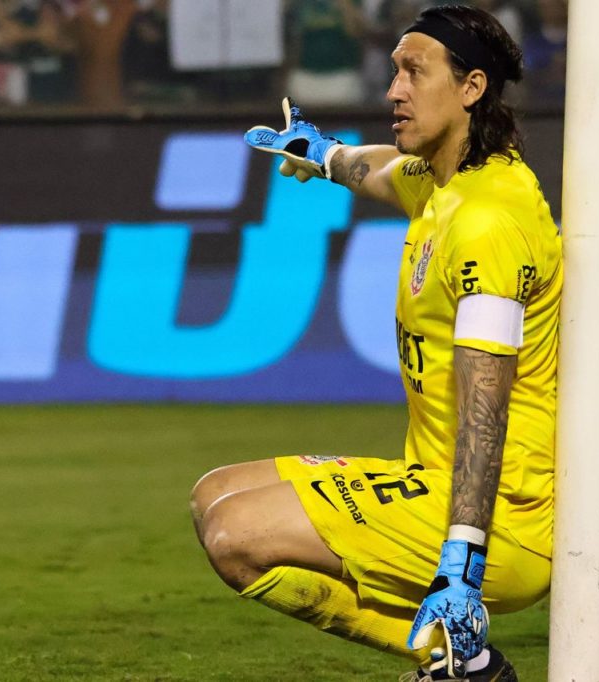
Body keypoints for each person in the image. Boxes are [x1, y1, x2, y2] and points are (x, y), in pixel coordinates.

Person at [190, 5, 561, 680]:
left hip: (501, 521)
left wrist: (462, 564)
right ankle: (461, 662)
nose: (393, 90)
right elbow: (377, 168)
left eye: (414, 72)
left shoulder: (487, 222)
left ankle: (463, 660)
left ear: (472, 87)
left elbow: (487, 408)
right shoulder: (444, 183)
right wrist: (322, 153)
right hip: (434, 485)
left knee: (235, 536)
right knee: (213, 494)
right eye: (393, 71)